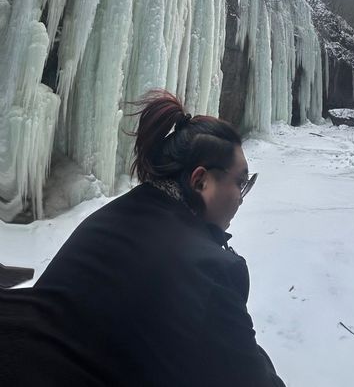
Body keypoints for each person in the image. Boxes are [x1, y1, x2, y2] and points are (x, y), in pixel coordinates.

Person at [0, 91, 286, 387]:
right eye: (240, 182)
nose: (241, 197)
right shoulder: (210, 269)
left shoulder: (112, 217)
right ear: (200, 181)